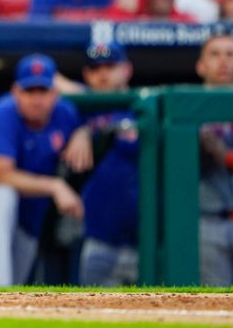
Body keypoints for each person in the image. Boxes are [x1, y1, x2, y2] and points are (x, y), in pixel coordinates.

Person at [0, 54, 92, 285]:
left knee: (13, 292)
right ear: (16, 91)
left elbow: (102, 99)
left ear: (55, 93)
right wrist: (55, 186)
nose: (36, 99)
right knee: (3, 196)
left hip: (25, 223)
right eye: (29, 91)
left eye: (43, 91)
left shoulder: (66, 114)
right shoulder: (3, 113)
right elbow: (0, 176)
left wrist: (83, 131)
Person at [78, 41, 140, 286]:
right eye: (95, 68)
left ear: (126, 70)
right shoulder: (78, 112)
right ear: (86, 75)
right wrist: (81, 130)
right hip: (99, 240)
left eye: (110, 66)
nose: (102, 74)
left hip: (147, 241)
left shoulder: (144, 106)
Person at [195, 33, 233, 285]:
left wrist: (222, 154)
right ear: (201, 65)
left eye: (230, 55)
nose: (223, 61)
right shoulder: (188, 106)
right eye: (215, 54)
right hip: (207, 220)